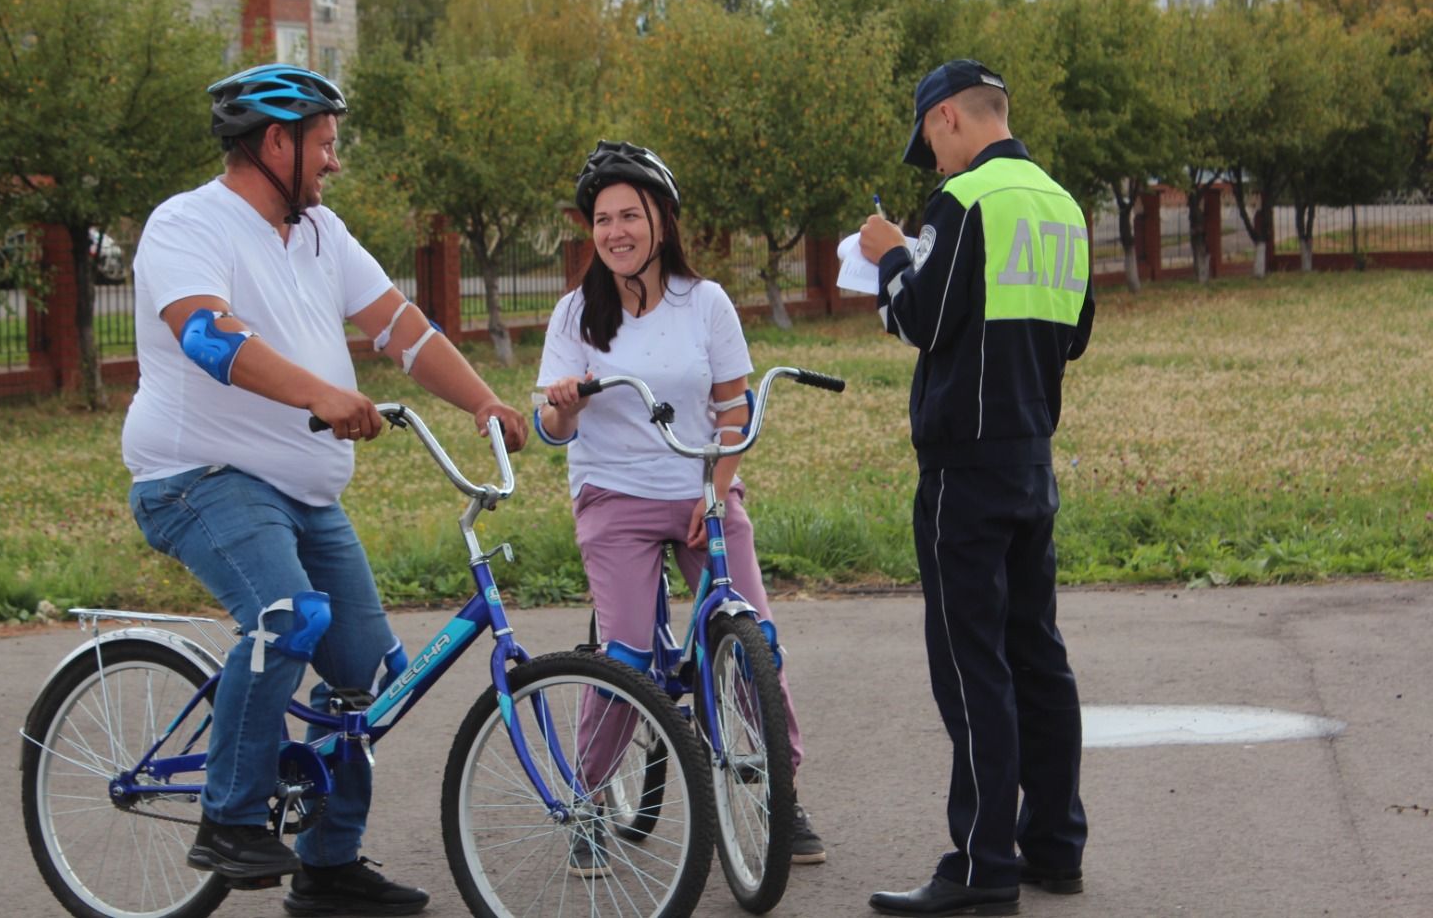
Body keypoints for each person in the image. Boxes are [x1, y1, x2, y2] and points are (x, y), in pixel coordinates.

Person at [122, 63, 527, 918]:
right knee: (290, 617)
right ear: (277, 142)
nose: (334, 163)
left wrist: (481, 400)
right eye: (326, 145)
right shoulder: (186, 225)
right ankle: (228, 818)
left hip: (302, 493)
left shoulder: (319, 233)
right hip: (197, 476)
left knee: (371, 680)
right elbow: (204, 334)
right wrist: (317, 392)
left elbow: (401, 329)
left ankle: (328, 865)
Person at [534, 140, 825, 875]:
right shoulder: (576, 313)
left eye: (629, 214)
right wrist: (562, 408)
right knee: (627, 654)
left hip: (702, 490)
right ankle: (590, 803)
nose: (615, 231)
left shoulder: (708, 302)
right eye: (602, 219)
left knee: (753, 634)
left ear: (661, 220)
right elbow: (549, 427)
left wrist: (720, 487)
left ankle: (778, 789)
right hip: (614, 496)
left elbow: (734, 407)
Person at [860, 61, 1094, 917]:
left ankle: (981, 863)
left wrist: (891, 259)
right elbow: (1075, 335)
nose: (935, 160)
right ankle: (1055, 846)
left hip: (964, 465)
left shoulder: (964, 203)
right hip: (1033, 457)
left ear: (949, 116)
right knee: (1039, 656)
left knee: (972, 667)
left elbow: (922, 318)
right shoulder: (1063, 204)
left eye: (930, 141)